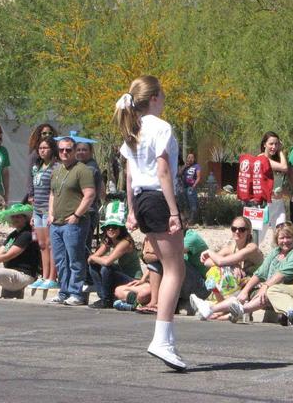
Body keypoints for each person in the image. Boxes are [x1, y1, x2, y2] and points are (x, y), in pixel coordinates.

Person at [116, 75, 186, 371]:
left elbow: (130, 175)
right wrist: (173, 211)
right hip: (158, 199)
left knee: (167, 267)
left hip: (142, 201)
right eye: (163, 94)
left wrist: (132, 210)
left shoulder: (133, 128)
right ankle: (163, 339)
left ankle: (164, 339)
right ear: (155, 97)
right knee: (175, 270)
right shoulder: (161, 127)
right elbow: (163, 170)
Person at [190, 222, 293, 322]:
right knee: (241, 295)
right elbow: (260, 273)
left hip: (283, 290)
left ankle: (216, 311)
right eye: (282, 238)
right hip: (264, 288)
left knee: (267, 292)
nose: (285, 241)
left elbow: (281, 274)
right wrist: (245, 291)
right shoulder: (276, 252)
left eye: (288, 237)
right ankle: (212, 311)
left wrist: (265, 286)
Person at [47, 137, 95, 306]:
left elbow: (89, 195)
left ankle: (76, 292)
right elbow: (52, 193)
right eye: (61, 150)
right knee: (61, 260)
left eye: (68, 150)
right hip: (56, 223)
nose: (64, 153)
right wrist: (50, 214)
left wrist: (76, 215)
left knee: (75, 259)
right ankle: (63, 290)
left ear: (74, 151)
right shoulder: (57, 170)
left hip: (74, 223)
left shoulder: (83, 170)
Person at [200, 216, 264, 304]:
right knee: (216, 269)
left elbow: (220, 261)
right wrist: (233, 264)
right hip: (240, 284)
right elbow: (207, 262)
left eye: (241, 229)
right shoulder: (231, 248)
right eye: (234, 229)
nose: (237, 232)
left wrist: (209, 252)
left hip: (255, 284)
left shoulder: (251, 248)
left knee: (224, 269)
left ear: (248, 231)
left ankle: (221, 306)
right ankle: (221, 305)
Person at [87, 217, 142, 309]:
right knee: (93, 265)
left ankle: (107, 300)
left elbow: (107, 262)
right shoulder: (108, 241)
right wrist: (97, 258)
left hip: (132, 279)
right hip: (118, 275)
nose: (111, 229)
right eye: (108, 227)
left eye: (114, 227)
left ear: (121, 229)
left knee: (106, 268)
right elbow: (90, 260)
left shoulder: (126, 242)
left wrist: (98, 257)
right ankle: (104, 296)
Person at [28, 136, 60, 290]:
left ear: (52, 149)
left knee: (50, 244)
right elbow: (34, 191)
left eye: (45, 148)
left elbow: (54, 191)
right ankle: (45, 275)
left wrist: (52, 212)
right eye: (40, 148)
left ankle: (53, 277)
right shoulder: (37, 167)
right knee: (41, 244)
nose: (42, 151)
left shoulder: (56, 167)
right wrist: (33, 214)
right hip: (38, 210)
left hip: (49, 210)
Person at [256, 132, 288, 243]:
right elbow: (284, 167)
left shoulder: (276, 160)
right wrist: (280, 151)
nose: (274, 147)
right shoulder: (262, 159)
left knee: (281, 235)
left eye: (276, 144)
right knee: (258, 238)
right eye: (271, 144)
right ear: (264, 144)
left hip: (278, 204)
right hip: (265, 205)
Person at [75, 141, 105, 253]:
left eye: (84, 149)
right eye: (78, 150)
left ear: (91, 152)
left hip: (87, 212)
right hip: (81, 211)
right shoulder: (81, 166)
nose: (81, 152)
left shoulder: (90, 169)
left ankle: (86, 270)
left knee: (82, 247)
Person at [26, 123, 57, 203]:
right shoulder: (35, 154)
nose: (48, 135)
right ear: (39, 135)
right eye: (44, 133)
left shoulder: (57, 152)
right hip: (38, 196)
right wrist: (31, 194)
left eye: (50, 133)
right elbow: (31, 175)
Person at [182, 153, 201, 223]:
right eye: (189, 157)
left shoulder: (197, 166)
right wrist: (184, 167)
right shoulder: (185, 167)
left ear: (194, 159)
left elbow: (198, 177)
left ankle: (193, 220)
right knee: (186, 203)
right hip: (184, 187)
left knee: (192, 203)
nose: (190, 159)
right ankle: (188, 219)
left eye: (192, 157)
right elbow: (179, 174)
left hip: (191, 188)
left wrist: (194, 186)